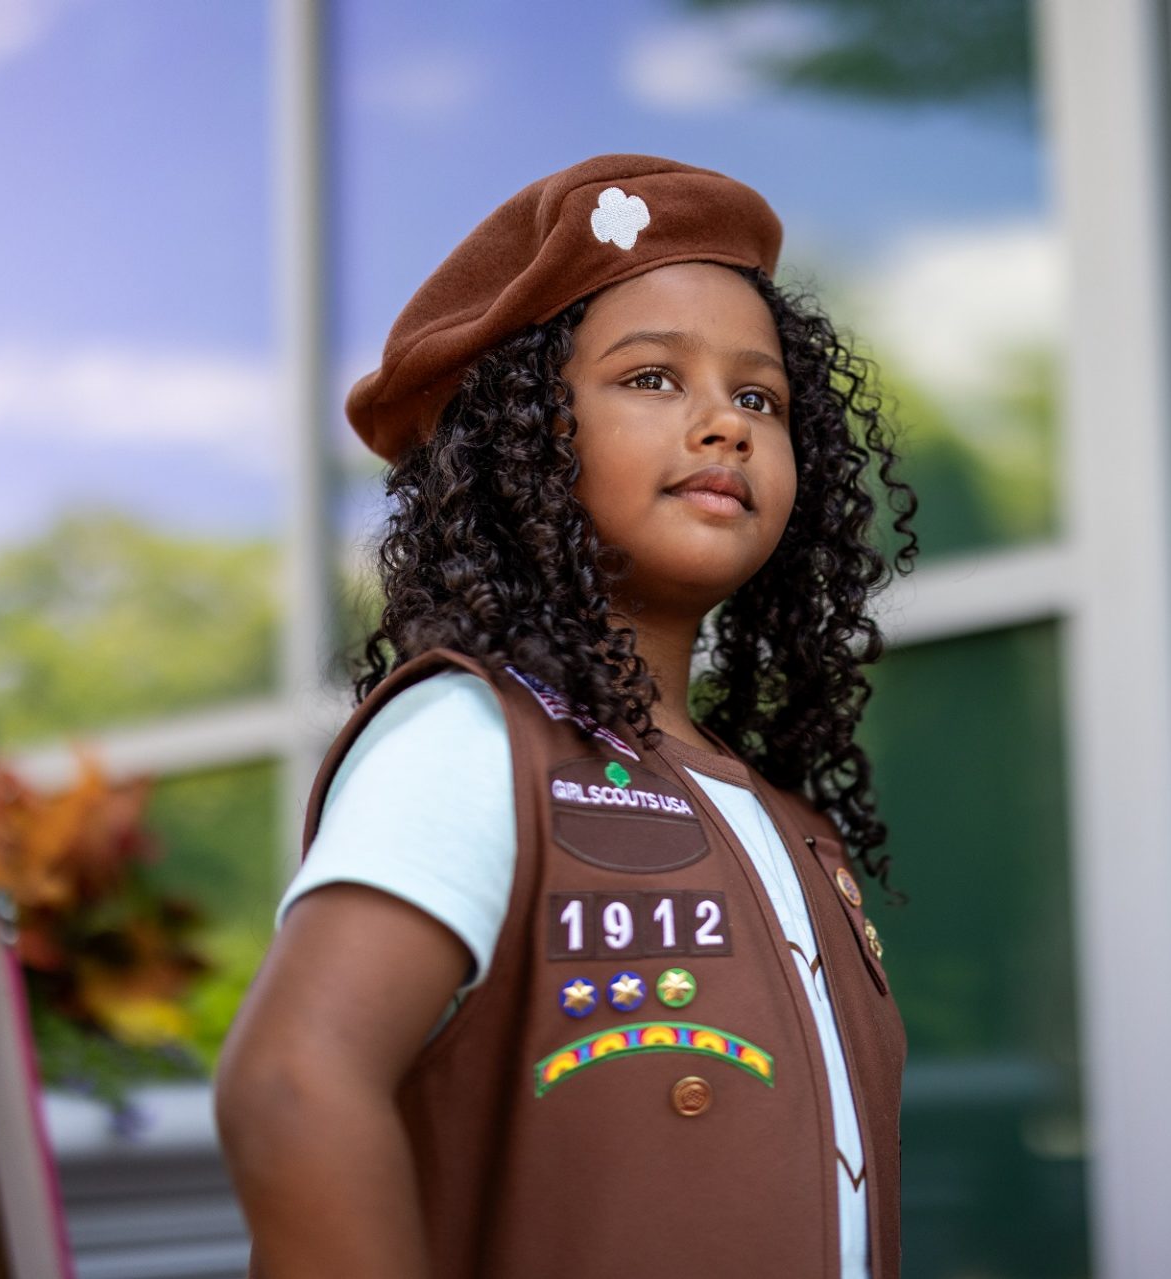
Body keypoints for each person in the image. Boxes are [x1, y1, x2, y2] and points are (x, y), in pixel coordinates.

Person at [214, 153, 918, 1279]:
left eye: (758, 397)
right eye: (651, 379)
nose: (724, 425)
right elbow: (295, 1080)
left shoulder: (786, 817)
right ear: (519, 443)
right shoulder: (470, 739)